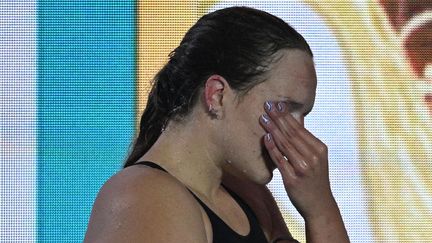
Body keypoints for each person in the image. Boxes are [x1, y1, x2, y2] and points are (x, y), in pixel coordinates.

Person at [84, 6, 350, 243]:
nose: (297, 133)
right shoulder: (146, 198)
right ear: (217, 96)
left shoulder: (253, 201)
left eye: (303, 115)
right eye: (283, 108)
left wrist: (320, 209)